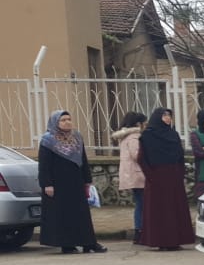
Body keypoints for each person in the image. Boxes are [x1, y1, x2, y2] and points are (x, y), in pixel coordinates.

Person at [36, 110, 107, 254]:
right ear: (55, 122)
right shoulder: (48, 140)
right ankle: (67, 244)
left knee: (82, 214)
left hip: (76, 182)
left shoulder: (77, 137)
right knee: (63, 215)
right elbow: (44, 165)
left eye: (69, 119)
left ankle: (89, 243)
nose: (67, 122)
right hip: (58, 184)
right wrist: (47, 184)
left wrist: (87, 180)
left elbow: (83, 160)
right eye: (63, 120)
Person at [138, 107, 195, 251]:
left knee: (175, 208)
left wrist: (180, 173)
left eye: (169, 115)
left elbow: (179, 155)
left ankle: (176, 240)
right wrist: (151, 176)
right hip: (156, 176)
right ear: (157, 117)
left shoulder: (173, 134)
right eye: (164, 116)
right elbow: (142, 158)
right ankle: (161, 241)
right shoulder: (147, 136)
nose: (168, 118)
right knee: (160, 210)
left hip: (174, 176)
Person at [111, 111, 147, 244]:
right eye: (145, 123)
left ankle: (140, 231)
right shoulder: (134, 137)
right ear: (139, 124)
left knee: (140, 203)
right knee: (142, 204)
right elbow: (137, 155)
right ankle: (140, 232)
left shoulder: (126, 135)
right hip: (138, 174)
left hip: (133, 174)